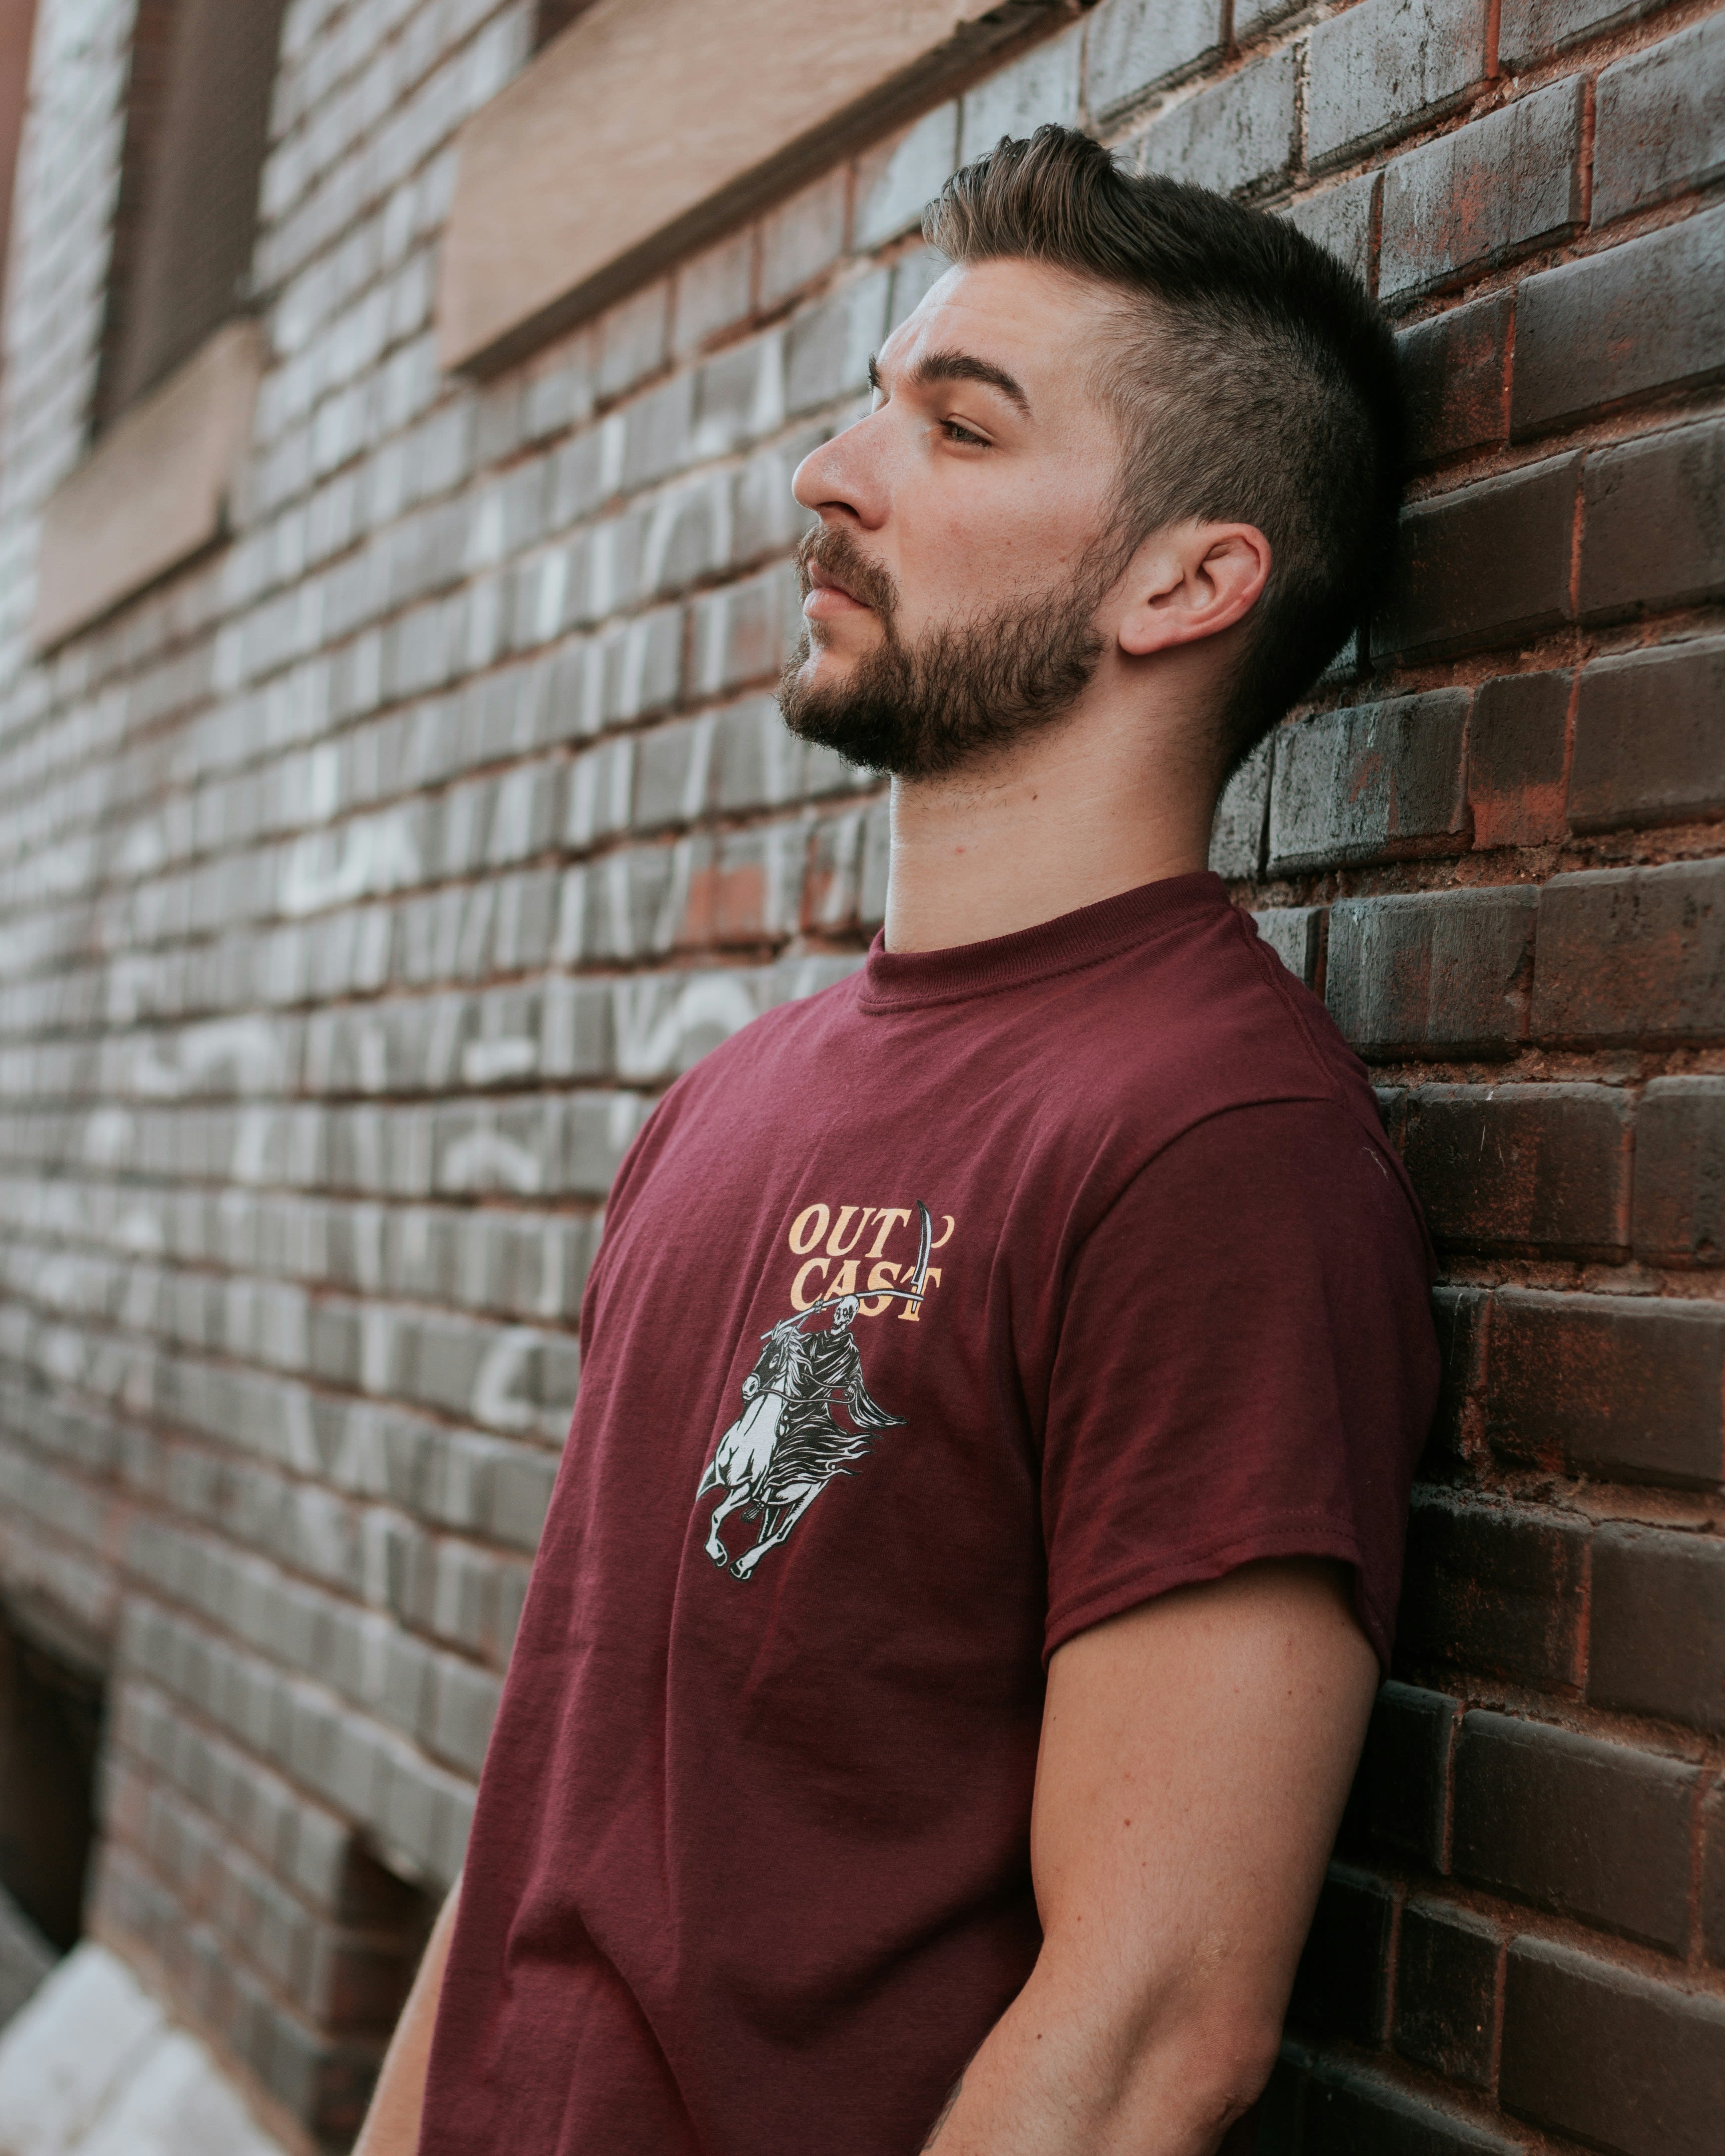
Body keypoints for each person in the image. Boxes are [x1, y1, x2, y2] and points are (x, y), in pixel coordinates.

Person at [356, 126, 1438, 2156]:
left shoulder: (1215, 1145)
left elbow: (1148, 2032)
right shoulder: (728, 1098)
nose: (832, 477)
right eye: (876, 405)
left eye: (958, 429)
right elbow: (549, 1808)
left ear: (1186, 581)